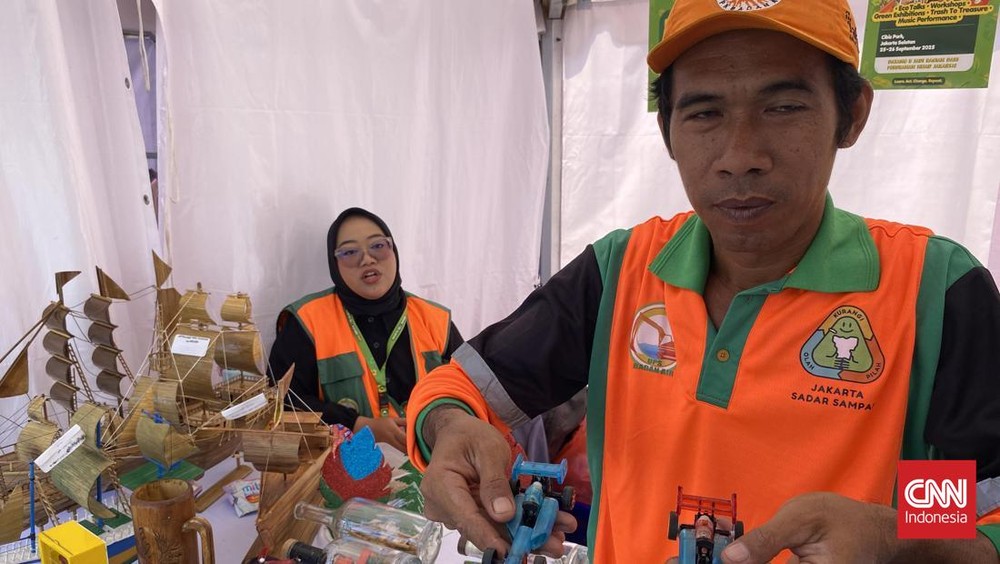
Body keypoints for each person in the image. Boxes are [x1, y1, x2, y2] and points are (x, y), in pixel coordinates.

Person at [403, 1, 1000, 562]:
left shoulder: (931, 291)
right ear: (667, 132)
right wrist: (450, 428)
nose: (740, 154)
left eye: (783, 106)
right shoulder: (623, 272)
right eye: (706, 112)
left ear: (853, 115)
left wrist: (894, 536)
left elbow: (982, 510)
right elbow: (462, 387)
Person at [269, 207, 463, 453]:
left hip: (431, 462)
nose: (367, 259)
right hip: (341, 472)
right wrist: (356, 424)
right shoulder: (307, 322)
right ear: (334, 263)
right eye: (350, 252)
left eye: (378, 246)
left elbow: (467, 391)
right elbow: (280, 400)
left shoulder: (436, 319)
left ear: (394, 250)